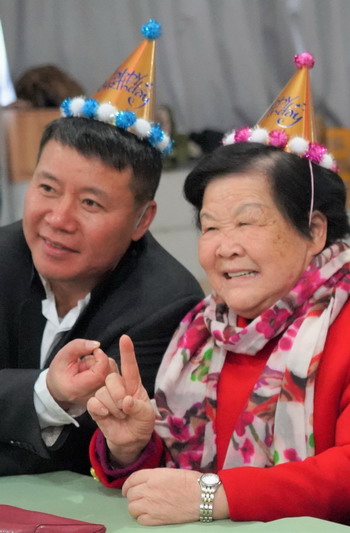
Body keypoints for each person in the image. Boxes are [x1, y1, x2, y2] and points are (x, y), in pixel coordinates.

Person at [86, 54, 350, 529]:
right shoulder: (199, 333)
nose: (225, 247)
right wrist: (133, 445)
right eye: (210, 227)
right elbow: (173, 487)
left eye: (247, 222)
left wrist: (216, 495)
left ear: (314, 231)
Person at [0, 20, 203, 477]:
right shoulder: (3, 255)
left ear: (142, 220)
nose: (58, 219)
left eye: (90, 203)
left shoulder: (165, 303)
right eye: (47, 188)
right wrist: (47, 393)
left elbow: (83, 452)